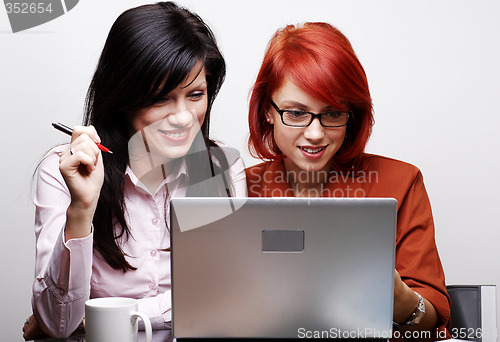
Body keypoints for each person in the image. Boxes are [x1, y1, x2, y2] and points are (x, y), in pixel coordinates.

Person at [25, 2, 246, 339]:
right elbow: (58, 325)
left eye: (196, 94)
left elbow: (229, 295)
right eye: (161, 98)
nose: (183, 117)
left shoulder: (223, 170)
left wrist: (101, 317)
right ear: (122, 96)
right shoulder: (62, 172)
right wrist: (81, 209)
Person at [246, 22, 450, 340]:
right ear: (267, 111)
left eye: (332, 114)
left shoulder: (401, 183)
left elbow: (432, 324)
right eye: (297, 113)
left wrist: (399, 299)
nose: (315, 134)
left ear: (351, 114)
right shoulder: (235, 190)